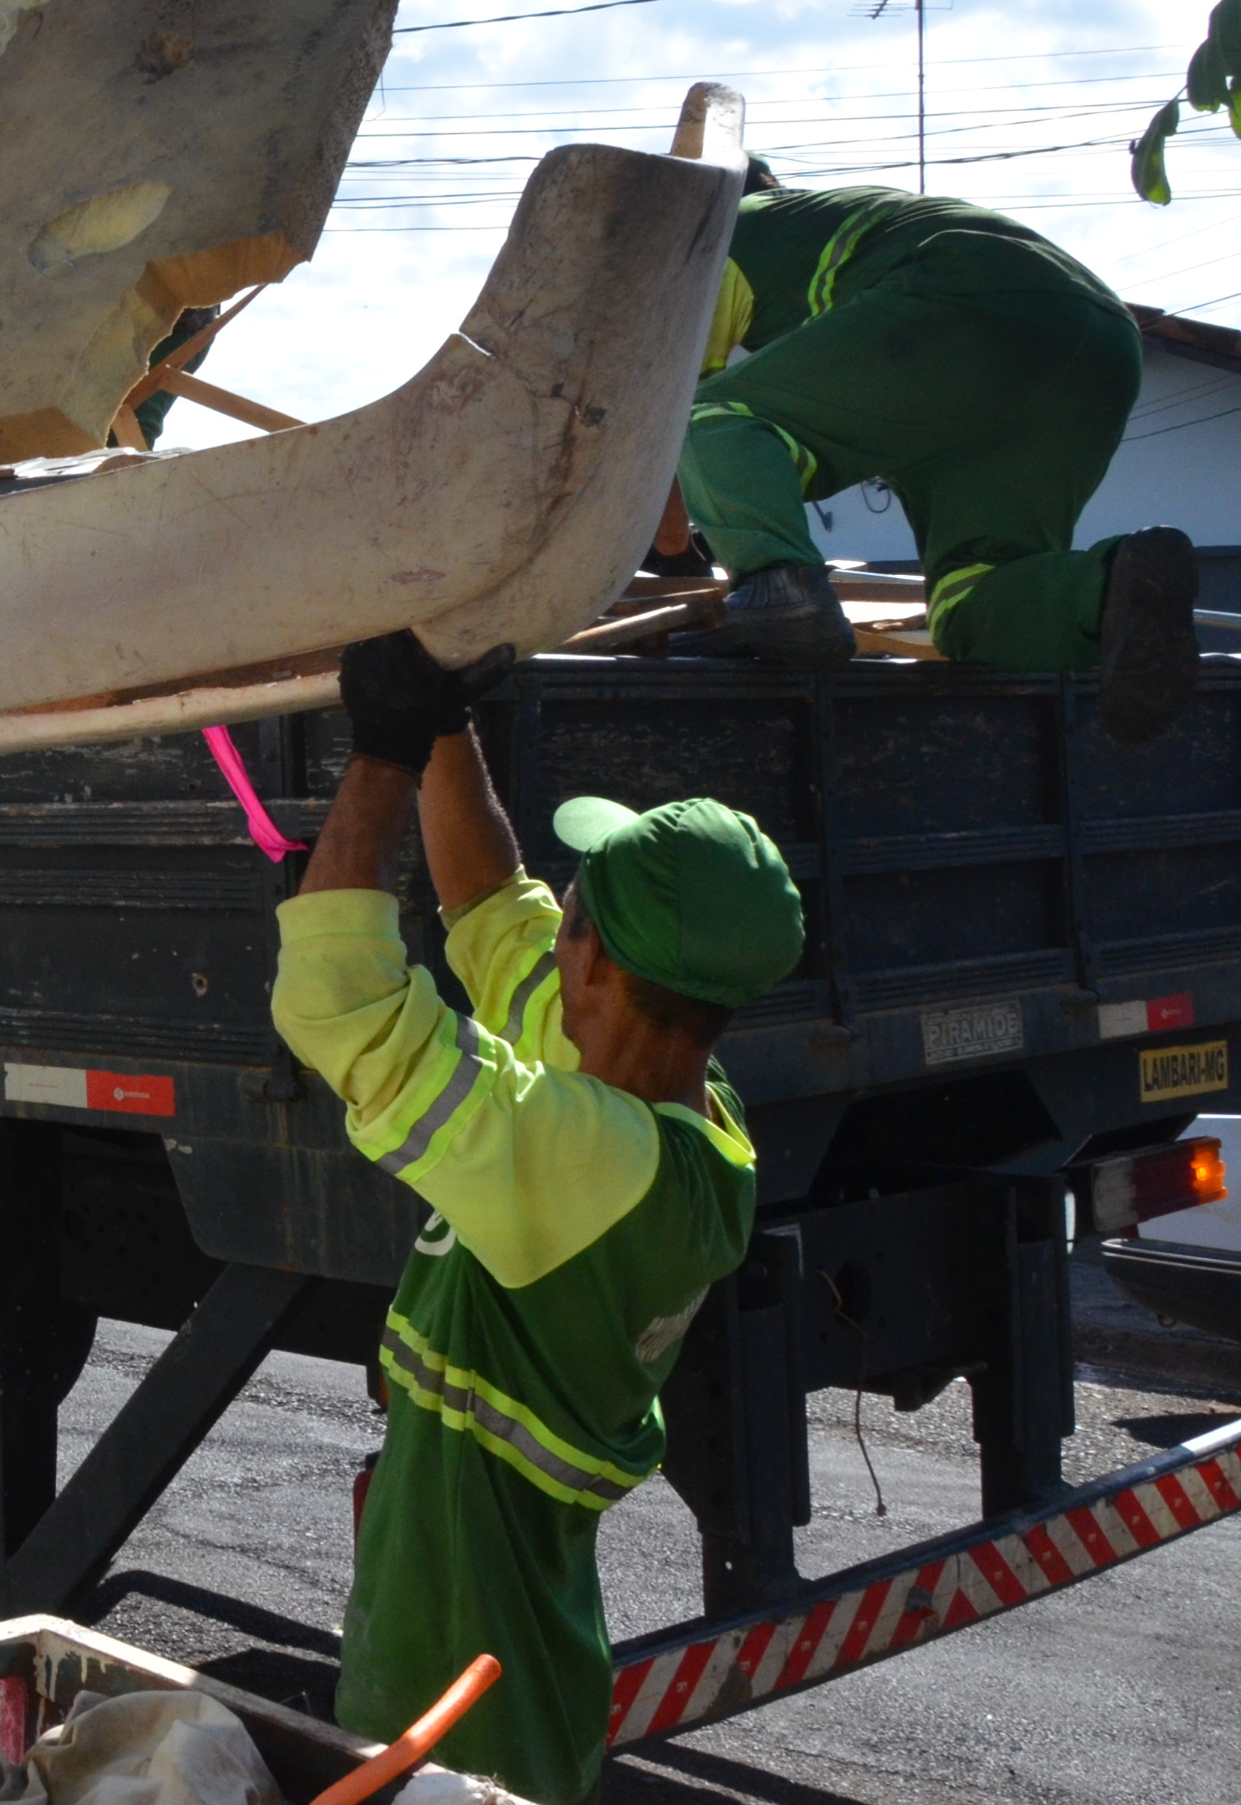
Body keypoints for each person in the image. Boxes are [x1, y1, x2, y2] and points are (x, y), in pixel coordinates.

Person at [273, 634, 802, 1804]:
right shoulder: (670, 1106)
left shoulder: (594, 1170)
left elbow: (339, 1002)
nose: (550, 932)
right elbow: (487, 906)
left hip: (464, 1685)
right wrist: (444, 718)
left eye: (576, 915)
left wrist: (374, 764)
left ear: (600, 960)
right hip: (515, 1651)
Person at [677, 169, 1198, 741]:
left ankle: (783, 597)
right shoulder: (846, 221)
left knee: (711, 422)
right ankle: (1104, 589)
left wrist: (689, 544)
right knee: (969, 598)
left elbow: (661, 414)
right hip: (1105, 343)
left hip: (968, 300)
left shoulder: (724, 230)